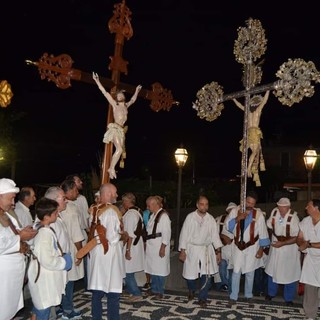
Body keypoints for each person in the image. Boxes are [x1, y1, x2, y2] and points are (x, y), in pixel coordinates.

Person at [28, 197, 72, 320]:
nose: (58, 214)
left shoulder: (41, 228)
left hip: (43, 275)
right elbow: (47, 260)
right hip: (44, 278)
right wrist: (64, 262)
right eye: (55, 213)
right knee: (43, 309)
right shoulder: (44, 233)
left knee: (40, 308)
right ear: (47, 216)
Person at [92, 72, 142, 179]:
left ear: (123, 97)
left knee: (119, 150)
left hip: (121, 130)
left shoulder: (126, 106)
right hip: (115, 128)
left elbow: (133, 99)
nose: (118, 96)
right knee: (119, 149)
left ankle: (112, 168)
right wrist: (97, 80)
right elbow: (105, 93)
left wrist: (137, 91)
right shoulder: (115, 105)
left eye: (120, 95)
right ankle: (111, 168)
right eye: (117, 96)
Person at [87, 183, 125, 320]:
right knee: (113, 291)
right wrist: (121, 235)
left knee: (97, 290)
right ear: (108, 193)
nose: (116, 195)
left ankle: (96, 317)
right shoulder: (110, 212)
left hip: (97, 252)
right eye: (115, 192)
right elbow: (112, 237)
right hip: (109, 254)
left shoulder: (94, 209)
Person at [0, 178, 37, 320]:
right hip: (3, 276)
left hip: (13, 274)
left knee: (8, 311)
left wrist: (23, 231)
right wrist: (20, 237)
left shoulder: (7, 214)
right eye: (11, 198)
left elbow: (12, 233)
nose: (13, 203)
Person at [224, 191, 270, 304]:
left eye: (252, 203)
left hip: (251, 246)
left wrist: (261, 249)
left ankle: (248, 295)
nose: (250, 205)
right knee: (236, 271)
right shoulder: (235, 211)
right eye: (248, 202)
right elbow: (227, 227)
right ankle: (233, 296)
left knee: (250, 272)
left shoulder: (258, 214)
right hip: (238, 246)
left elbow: (263, 233)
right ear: (244, 201)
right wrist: (237, 218)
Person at [178, 195, 223, 307]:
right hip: (192, 248)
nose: (204, 206)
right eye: (202, 204)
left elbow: (215, 237)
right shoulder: (190, 217)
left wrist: (218, 252)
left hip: (206, 249)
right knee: (190, 275)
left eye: (206, 204)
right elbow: (184, 234)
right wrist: (182, 251)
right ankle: (192, 289)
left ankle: (202, 298)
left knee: (207, 275)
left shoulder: (211, 219)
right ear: (197, 205)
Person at [264, 197, 301, 305]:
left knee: (289, 273)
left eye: (283, 208)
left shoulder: (294, 217)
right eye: (279, 207)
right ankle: (271, 293)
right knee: (272, 270)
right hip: (276, 245)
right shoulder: (275, 212)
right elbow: (269, 224)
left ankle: (288, 298)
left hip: (289, 248)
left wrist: (283, 243)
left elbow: (296, 237)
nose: (280, 210)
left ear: (288, 207)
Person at [59, 179, 84, 320]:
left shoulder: (60, 207)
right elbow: (76, 233)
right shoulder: (71, 209)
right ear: (68, 192)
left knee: (63, 280)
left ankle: (60, 308)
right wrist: (80, 252)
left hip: (61, 248)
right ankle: (67, 310)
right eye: (75, 190)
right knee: (69, 281)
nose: (77, 192)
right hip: (70, 248)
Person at [233, 90, 270, 186]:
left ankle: (248, 169)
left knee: (253, 152)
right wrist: (268, 90)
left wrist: (233, 98)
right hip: (252, 133)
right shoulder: (255, 111)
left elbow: (240, 105)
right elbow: (264, 101)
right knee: (253, 152)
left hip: (250, 133)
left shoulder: (251, 111)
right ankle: (248, 169)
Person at [296, 198, 320, 320]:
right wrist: (302, 243)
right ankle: (310, 315)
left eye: (308, 206)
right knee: (310, 288)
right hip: (311, 259)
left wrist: (309, 244)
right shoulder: (306, 221)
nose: (306, 208)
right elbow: (299, 237)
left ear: (316, 208)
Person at [66, 174, 90, 292]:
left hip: (77, 235)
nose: (81, 183)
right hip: (76, 236)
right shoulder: (72, 205)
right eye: (78, 181)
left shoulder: (80, 199)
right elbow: (84, 221)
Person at [145, 195, 171, 299]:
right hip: (152, 245)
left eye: (149, 205)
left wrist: (163, 247)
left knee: (160, 269)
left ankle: (159, 291)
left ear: (155, 205)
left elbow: (167, 233)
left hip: (159, 245)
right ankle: (154, 288)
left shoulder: (163, 216)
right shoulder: (153, 215)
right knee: (153, 269)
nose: (147, 208)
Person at [121, 192, 144, 301]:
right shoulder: (137, 212)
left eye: (123, 201)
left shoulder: (130, 214)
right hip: (136, 244)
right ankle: (131, 291)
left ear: (126, 201)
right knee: (129, 270)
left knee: (127, 271)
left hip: (132, 245)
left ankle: (136, 293)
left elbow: (129, 234)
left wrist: (128, 250)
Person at [215, 202, 237, 293]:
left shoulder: (240, 219)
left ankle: (231, 289)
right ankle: (225, 285)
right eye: (230, 210)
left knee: (233, 270)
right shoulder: (220, 219)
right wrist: (223, 237)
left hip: (235, 249)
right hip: (223, 249)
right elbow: (214, 234)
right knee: (222, 265)